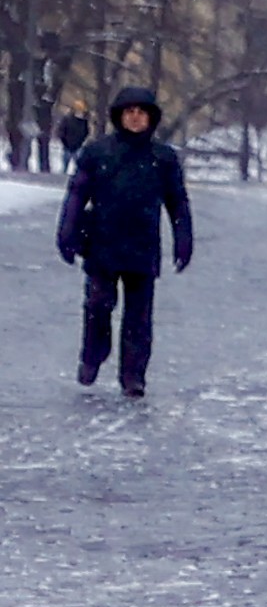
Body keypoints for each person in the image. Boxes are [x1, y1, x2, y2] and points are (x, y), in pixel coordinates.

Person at [60, 84, 190, 396]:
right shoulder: (97, 152)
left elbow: (177, 201)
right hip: (102, 242)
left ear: (150, 118)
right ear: (119, 116)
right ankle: (92, 356)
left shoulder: (163, 158)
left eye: (140, 112)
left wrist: (183, 239)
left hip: (143, 246)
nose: (134, 118)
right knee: (97, 307)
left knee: (138, 318)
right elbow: (77, 193)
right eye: (129, 112)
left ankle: (133, 376)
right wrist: (67, 232)